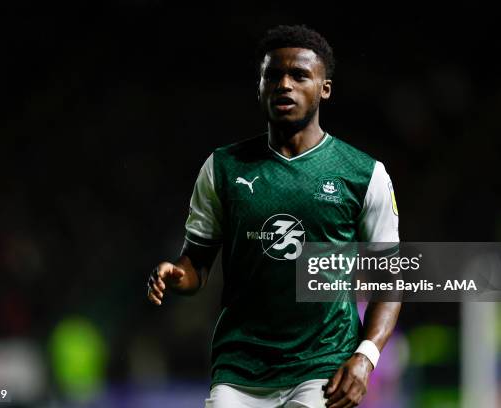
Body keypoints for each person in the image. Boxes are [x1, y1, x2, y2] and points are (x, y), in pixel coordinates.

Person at [147, 25, 401, 408]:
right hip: (240, 367)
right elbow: (197, 265)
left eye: (299, 75)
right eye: (273, 75)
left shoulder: (364, 174)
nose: (284, 84)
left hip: (323, 365)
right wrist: (177, 274)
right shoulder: (222, 168)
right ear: (260, 86)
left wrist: (365, 357)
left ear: (324, 88)